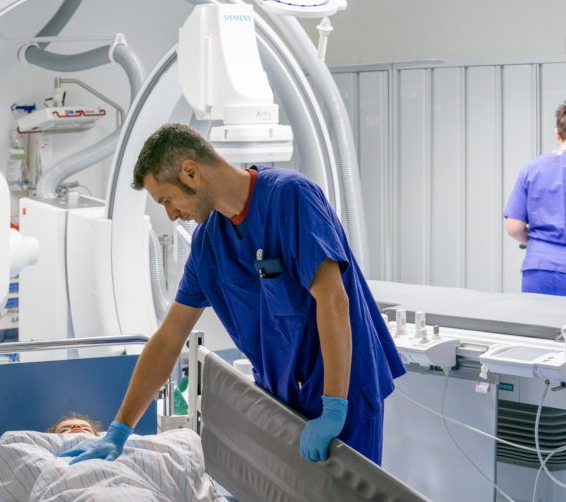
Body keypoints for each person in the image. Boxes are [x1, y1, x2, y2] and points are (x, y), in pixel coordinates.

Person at [61, 123, 405, 466]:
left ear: (191, 173)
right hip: (287, 402)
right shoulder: (208, 244)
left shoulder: (291, 198)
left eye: (167, 199)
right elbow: (168, 339)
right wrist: (120, 430)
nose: (171, 214)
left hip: (342, 392)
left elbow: (334, 300)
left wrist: (333, 408)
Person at [504, 102, 566, 296]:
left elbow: (514, 227)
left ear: (558, 133)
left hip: (541, 268)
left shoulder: (532, 168)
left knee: (541, 325)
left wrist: (536, 242)